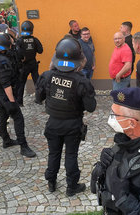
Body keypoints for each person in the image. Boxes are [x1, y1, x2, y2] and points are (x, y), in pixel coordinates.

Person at [35, 37, 96, 196]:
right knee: (71, 155)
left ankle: (51, 182)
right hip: (72, 124)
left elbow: (38, 98)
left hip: (53, 123)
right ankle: (71, 187)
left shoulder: (47, 76)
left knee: (53, 153)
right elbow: (91, 107)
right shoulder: (82, 81)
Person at [0, 33, 36, 157]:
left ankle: (6, 140)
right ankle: (23, 146)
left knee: (2, 115)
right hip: (5, 93)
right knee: (18, 117)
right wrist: (12, 101)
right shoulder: (3, 61)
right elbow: (5, 83)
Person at [15, 20, 43, 106]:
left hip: (24, 65)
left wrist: (22, 58)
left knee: (21, 83)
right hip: (33, 63)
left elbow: (17, 53)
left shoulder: (19, 40)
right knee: (37, 82)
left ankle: (19, 102)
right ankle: (39, 99)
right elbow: (40, 51)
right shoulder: (34, 40)